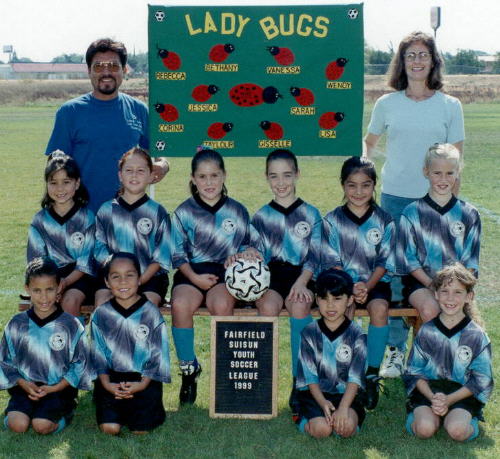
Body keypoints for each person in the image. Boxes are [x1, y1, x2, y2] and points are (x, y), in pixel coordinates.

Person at [364, 31, 465, 378]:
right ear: (402, 62)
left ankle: (437, 348)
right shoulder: (387, 103)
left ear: (433, 61)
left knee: (435, 273)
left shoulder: (450, 105)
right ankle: (394, 350)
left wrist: (451, 202)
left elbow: (457, 160)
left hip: (436, 202)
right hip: (394, 198)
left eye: (424, 55)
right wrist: (376, 173)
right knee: (394, 274)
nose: (417, 61)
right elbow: (370, 144)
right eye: (410, 55)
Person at [171, 148, 259, 406]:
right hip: (192, 272)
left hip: (226, 274)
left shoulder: (237, 210)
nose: (209, 183)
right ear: (193, 178)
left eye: (214, 176)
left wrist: (245, 253)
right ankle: (189, 370)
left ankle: (228, 375)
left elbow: (248, 244)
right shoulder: (183, 212)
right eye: (202, 177)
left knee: (221, 305)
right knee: (179, 305)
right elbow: (177, 255)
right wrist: (195, 279)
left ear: (224, 176)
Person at [45, 38, 169, 213]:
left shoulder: (139, 109)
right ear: (89, 71)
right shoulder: (69, 112)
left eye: (113, 66)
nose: (106, 72)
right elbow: (55, 166)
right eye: (98, 66)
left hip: (127, 215)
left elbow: (156, 152)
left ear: (124, 70)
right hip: (81, 216)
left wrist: (163, 165)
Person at [251, 149, 322, 420]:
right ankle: (260, 381)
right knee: (267, 307)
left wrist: (304, 282)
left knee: (300, 306)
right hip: (272, 276)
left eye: (287, 175)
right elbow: (257, 255)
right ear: (267, 178)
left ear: (297, 175)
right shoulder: (261, 216)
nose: (281, 182)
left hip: (303, 276)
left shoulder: (311, 213)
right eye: (274, 176)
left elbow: (316, 255)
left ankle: (299, 381)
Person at [322, 156, 396, 410]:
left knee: (380, 310)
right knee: (344, 312)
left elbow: (384, 261)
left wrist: (366, 286)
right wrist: (351, 287)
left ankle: (372, 374)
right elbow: (332, 261)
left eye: (365, 185)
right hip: (342, 284)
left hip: (375, 283)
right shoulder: (332, 220)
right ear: (343, 185)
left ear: (374, 185)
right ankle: (343, 373)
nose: (358, 192)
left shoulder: (385, 220)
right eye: (352, 185)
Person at [0, 257, 92, 434]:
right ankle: (22, 411)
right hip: (25, 387)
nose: (44, 297)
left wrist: (56, 387)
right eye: (37, 290)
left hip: (58, 389)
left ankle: (65, 413)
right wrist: (22, 383)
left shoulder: (71, 325)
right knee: (17, 425)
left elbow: (81, 364)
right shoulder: (17, 324)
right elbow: (5, 361)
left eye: (49, 289)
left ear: (59, 288)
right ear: (28, 289)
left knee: (41, 426)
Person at [403, 263, 493, 441]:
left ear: (469, 296)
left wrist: (449, 400)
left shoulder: (477, 336)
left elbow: (482, 379)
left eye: (458, 292)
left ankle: (467, 418)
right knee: (424, 429)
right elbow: (413, 371)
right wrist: (433, 397)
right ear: (436, 294)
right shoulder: (427, 331)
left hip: (461, 393)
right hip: (429, 390)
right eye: (444, 291)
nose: (450, 298)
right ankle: (422, 416)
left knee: (457, 431)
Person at [397, 143, 481, 324]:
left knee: (458, 316)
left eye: (450, 173)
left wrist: (454, 289)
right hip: (421, 283)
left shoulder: (470, 214)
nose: (443, 179)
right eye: (437, 173)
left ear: (458, 172)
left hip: (457, 284)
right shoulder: (411, 212)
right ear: (426, 172)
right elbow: (408, 260)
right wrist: (432, 285)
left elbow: (471, 262)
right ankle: (428, 351)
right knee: (431, 309)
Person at [90, 252, 171, 435]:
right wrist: (107, 383)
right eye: (116, 276)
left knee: (140, 430)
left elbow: (159, 353)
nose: (123, 281)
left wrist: (142, 384)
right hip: (112, 380)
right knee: (109, 428)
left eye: (129, 275)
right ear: (107, 282)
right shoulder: (101, 314)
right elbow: (98, 355)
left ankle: (148, 410)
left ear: (139, 279)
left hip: (144, 379)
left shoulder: (151, 313)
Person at [94, 147, 174, 307]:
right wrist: (117, 277)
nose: (134, 175)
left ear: (151, 176)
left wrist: (139, 280)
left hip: (149, 279)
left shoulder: (158, 212)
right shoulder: (105, 210)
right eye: (128, 170)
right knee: (102, 303)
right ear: (120, 175)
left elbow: (162, 256)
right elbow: (99, 249)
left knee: (146, 306)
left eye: (140, 170)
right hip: (114, 279)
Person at [295, 269, 367, 438]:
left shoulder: (358, 335)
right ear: (316, 299)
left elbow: (355, 378)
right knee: (322, 430)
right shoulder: (309, 333)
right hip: (315, 395)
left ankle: (344, 419)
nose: (330, 305)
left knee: (345, 429)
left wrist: (343, 408)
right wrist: (322, 402)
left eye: (337, 299)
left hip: (347, 396)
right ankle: (304, 419)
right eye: (324, 299)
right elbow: (310, 377)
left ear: (349, 300)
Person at [27, 151, 95, 319]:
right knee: (41, 304)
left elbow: (84, 263)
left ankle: (74, 343)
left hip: (80, 277)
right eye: (53, 183)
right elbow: (36, 262)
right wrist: (51, 286)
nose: (60, 189)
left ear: (77, 183)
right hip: (49, 276)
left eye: (66, 182)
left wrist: (64, 283)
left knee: (70, 301)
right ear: (47, 185)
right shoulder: (39, 221)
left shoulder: (87, 218)